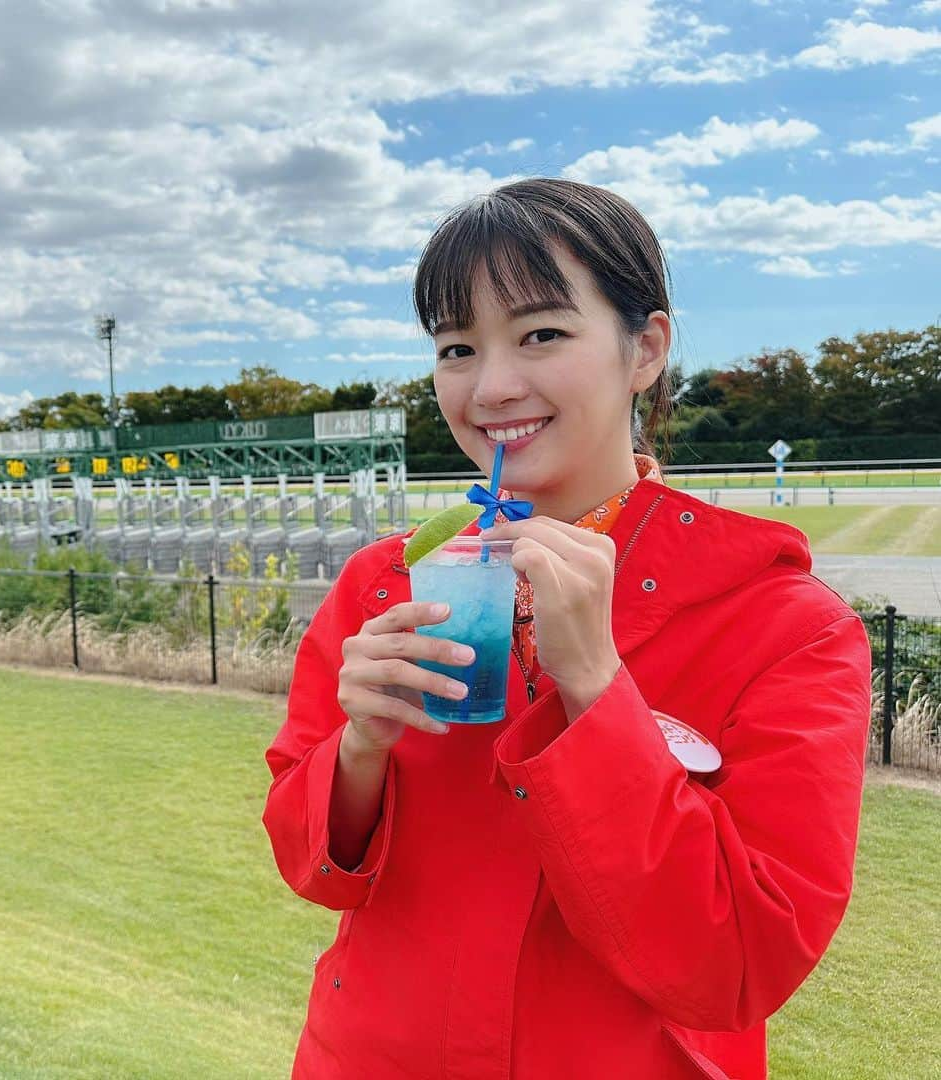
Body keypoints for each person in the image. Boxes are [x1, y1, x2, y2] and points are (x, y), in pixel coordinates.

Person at [262, 179, 871, 1079]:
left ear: (646, 348)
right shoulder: (385, 585)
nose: (493, 385)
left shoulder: (788, 628)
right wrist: (358, 752)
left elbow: (738, 966)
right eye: (457, 347)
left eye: (542, 332)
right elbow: (312, 868)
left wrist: (596, 685)